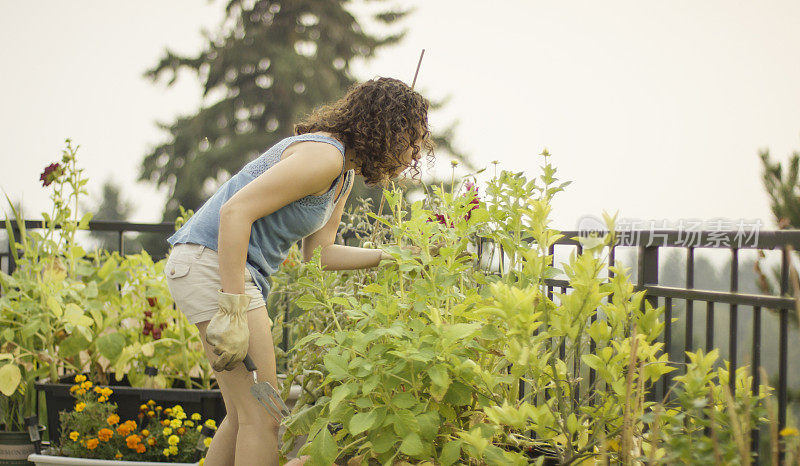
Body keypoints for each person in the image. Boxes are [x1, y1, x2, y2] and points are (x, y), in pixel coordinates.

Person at [162, 76, 434, 466]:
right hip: (211, 265)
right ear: (386, 127)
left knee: (244, 415)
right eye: (412, 139)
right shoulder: (325, 157)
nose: (415, 154)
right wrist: (233, 307)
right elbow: (234, 212)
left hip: (214, 267)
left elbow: (319, 254)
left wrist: (394, 255)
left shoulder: (342, 175)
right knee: (264, 415)